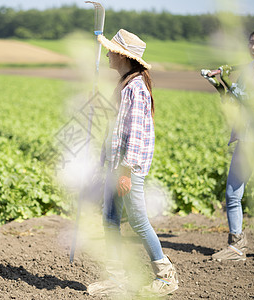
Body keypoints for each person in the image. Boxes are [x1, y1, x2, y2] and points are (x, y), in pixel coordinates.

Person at [87, 29, 179, 297]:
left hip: (127, 169)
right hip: (115, 166)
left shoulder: (136, 88)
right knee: (110, 219)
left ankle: (165, 277)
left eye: (111, 50)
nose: (106, 54)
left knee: (138, 221)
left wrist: (125, 172)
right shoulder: (126, 84)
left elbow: (136, 134)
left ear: (122, 56)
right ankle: (116, 278)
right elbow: (116, 129)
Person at [204, 27, 254, 262]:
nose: (253, 48)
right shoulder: (249, 71)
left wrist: (227, 78)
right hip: (246, 140)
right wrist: (218, 85)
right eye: (251, 43)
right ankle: (236, 246)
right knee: (232, 193)